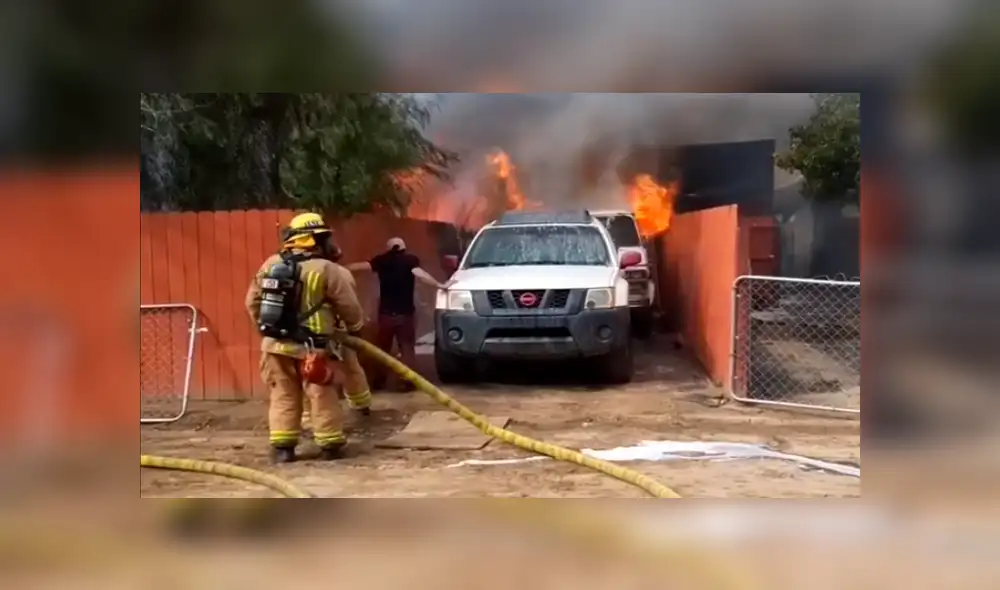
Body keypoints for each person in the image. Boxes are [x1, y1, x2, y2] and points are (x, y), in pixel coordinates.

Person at [245, 212, 367, 464]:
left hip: (275, 347)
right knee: (321, 394)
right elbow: (349, 306)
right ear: (315, 240)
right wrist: (355, 329)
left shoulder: (270, 264)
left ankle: (283, 448)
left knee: (283, 395)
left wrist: (266, 329)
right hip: (314, 349)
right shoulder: (327, 269)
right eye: (324, 238)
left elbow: (252, 302)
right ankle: (330, 445)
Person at [346, 237, 444, 391]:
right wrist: (439, 285)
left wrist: (341, 268)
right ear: (403, 248)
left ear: (389, 248)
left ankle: (378, 381)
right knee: (406, 348)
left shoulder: (382, 261)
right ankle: (408, 382)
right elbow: (421, 275)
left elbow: (361, 266)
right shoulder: (410, 260)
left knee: (382, 349)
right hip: (405, 314)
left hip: (385, 315)